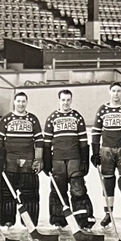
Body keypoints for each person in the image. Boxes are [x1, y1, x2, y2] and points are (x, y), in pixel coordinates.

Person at [43, 89, 94, 230]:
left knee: (78, 189)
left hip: (74, 158)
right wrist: (47, 162)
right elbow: (46, 143)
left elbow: (83, 142)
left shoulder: (77, 117)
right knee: (58, 191)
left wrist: (85, 160)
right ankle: (59, 220)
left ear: (71, 100)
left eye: (68, 100)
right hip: (57, 159)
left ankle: (83, 220)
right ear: (59, 100)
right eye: (63, 100)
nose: (65, 103)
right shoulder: (52, 118)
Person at [0, 91, 43, 228]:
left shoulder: (32, 119)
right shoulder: (6, 119)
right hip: (10, 160)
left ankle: (29, 221)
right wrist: (0, 158)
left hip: (28, 159)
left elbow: (39, 141)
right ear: (14, 102)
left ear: (26, 102)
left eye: (23, 101)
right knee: (7, 192)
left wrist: (38, 160)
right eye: (18, 101)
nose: (21, 104)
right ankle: (8, 220)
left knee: (29, 193)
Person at [91, 82, 121, 229]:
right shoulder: (103, 110)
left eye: (118, 91)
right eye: (113, 91)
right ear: (109, 92)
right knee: (108, 183)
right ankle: (108, 213)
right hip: (106, 149)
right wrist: (95, 152)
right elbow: (96, 132)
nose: (116, 94)